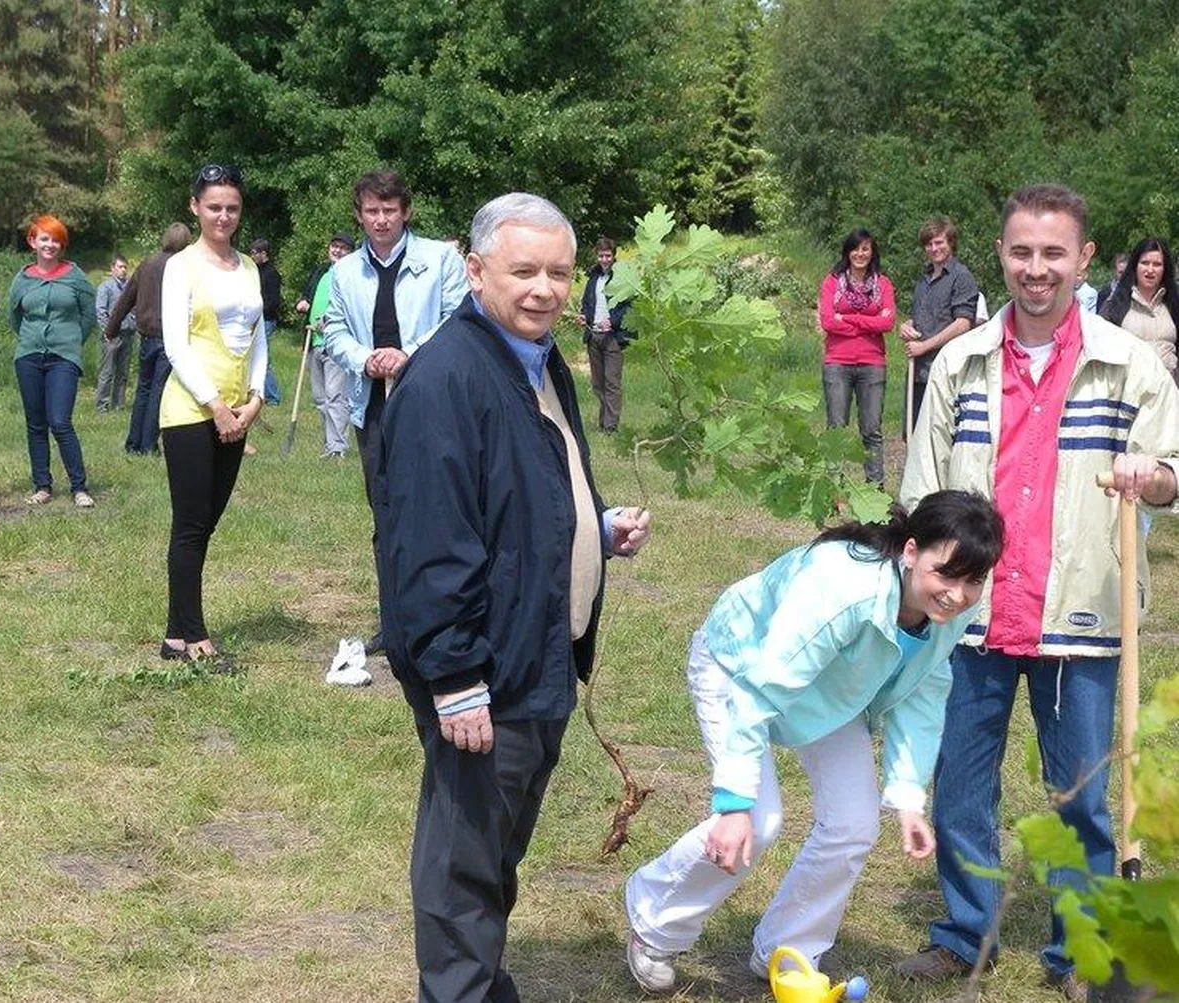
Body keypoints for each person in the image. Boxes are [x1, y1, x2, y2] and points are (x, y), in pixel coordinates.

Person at [896, 184, 1179, 1002]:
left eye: (1054, 253)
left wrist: (1151, 476)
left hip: (1082, 611)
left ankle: (1082, 951)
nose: (1036, 268)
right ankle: (963, 933)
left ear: (1085, 260)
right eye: (1022, 251)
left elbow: (1173, 473)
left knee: (1084, 797)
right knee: (960, 785)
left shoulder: (1131, 365)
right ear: (1002, 254)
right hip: (972, 616)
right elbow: (922, 489)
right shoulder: (960, 361)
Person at [376, 192, 651, 1003]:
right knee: (465, 853)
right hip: (484, 665)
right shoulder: (447, 380)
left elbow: (517, 494)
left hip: (538, 653)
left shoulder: (534, 360)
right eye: (523, 270)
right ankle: (459, 990)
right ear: (475, 270)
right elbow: (429, 545)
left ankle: (480, 980)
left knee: (498, 843)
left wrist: (594, 529)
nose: (544, 289)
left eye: (559, 272)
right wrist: (457, 676)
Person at [625, 491, 1004, 994]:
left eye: (973, 580)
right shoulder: (842, 588)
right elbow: (763, 687)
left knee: (854, 822)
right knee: (758, 820)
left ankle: (789, 949)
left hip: (833, 688)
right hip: (740, 666)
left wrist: (909, 798)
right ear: (911, 551)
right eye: (946, 574)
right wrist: (735, 802)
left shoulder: (948, 612)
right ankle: (655, 924)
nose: (957, 594)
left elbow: (924, 692)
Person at [322, 168, 470, 654]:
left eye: (389, 210)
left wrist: (411, 355)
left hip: (432, 405)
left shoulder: (442, 259)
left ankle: (445, 620)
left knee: (441, 512)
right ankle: (394, 626)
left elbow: (458, 320)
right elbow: (335, 331)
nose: (380, 219)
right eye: (371, 211)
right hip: (375, 407)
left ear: (405, 212)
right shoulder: (344, 273)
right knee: (385, 517)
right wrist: (366, 358)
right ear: (359, 215)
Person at [158, 164, 266, 668]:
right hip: (190, 410)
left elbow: (259, 336)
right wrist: (216, 407)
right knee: (191, 524)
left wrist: (257, 398)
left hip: (236, 410)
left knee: (206, 524)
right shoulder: (181, 266)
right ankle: (196, 636)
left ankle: (174, 636)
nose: (224, 216)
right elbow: (176, 345)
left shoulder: (247, 266)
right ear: (195, 207)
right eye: (214, 206)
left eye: (232, 208)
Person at [7, 215, 98, 508]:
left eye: (56, 239)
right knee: (36, 424)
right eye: (44, 238)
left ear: (62, 245)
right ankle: (42, 485)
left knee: (60, 421)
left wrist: (71, 341)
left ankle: (79, 487)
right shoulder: (22, 279)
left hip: (64, 357)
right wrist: (30, 340)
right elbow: (15, 316)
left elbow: (89, 316)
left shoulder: (75, 277)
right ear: (33, 241)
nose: (50, 244)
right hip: (29, 356)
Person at [817, 228, 896, 485]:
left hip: (872, 364)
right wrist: (869, 321)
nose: (860, 254)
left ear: (872, 252)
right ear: (847, 252)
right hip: (837, 363)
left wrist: (848, 318)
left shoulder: (883, 284)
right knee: (836, 428)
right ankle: (834, 489)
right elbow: (828, 321)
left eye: (865, 249)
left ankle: (875, 488)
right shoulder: (832, 282)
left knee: (871, 430)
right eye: (855, 248)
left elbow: (888, 323)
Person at [107, 222, 192, 456]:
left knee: (143, 389)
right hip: (170, 337)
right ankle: (148, 444)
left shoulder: (147, 263)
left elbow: (126, 298)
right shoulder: (184, 266)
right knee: (159, 390)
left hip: (146, 336)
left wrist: (110, 328)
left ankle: (133, 443)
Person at [898, 217, 979, 427]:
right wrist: (907, 326)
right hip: (918, 371)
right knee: (914, 435)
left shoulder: (962, 277)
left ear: (951, 243)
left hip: (945, 371)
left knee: (939, 438)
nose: (933, 248)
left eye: (939, 242)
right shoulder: (923, 279)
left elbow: (963, 323)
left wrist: (924, 346)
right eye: (929, 244)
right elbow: (923, 318)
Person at [295, 232, 355, 458]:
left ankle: (338, 447)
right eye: (334, 246)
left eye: (343, 248)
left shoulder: (350, 275)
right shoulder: (321, 271)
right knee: (320, 398)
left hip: (336, 344)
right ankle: (329, 444)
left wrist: (328, 321)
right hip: (314, 342)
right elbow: (309, 296)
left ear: (350, 252)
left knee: (335, 396)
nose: (337, 251)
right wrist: (302, 303)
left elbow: (350, 306)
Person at [1099, 237, 1179, 379]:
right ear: (1135, 266)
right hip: (1128, 392)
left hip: (1170, 392)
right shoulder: (1115, 305)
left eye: (1157, 264)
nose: (1150, 269)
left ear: (1165, 269)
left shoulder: (1174, 304)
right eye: (1145, 263)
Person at [578, 237, 633, 433]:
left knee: (612, 382)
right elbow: (586, 302)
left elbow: (628, 307)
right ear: (597, 256)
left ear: (614, 256)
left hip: (613, 338)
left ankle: (611, 426)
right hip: (593, 336)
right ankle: (603, 421)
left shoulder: (622, 278)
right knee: (598, 383)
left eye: (608, 255)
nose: (604, 259)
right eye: (601, 255)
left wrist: (613, 321)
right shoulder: (593, 278)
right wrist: (584, 316)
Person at [94, 254, 136, 412]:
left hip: (128, 333)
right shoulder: (105, 287)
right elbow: (101, 311)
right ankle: (102, 406)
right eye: (120, 267)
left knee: (123, 372)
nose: (123, 270)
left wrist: (134, 322)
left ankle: (118, 404)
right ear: (112, 269)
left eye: (125, 267)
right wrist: (107, 331)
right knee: (107, 372)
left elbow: (136, 308)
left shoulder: (130, 287)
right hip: (112, 335)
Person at [251, 238, 284, 408]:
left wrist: (260, 312)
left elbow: (273, 302)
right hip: (256, 319)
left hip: (266, 320)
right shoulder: (255, 271)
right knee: (254, 357)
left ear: (264, 253)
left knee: (263, 357)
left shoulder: (272, 274)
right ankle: (257, 391)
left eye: (255, 252)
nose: (252, 256)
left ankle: (273, 396)